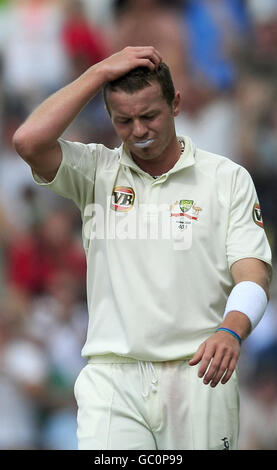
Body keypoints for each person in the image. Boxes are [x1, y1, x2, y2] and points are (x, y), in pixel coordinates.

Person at [13, 46, 272, 450]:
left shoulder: (227, 179)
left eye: (149, 115)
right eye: (124, 120)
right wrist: (98, 73)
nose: (138, 131)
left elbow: (254, 273)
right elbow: (28, 141)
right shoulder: (95, 170)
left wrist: (231, 331)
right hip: (111, 376)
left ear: (176, 104)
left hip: (200, 370)